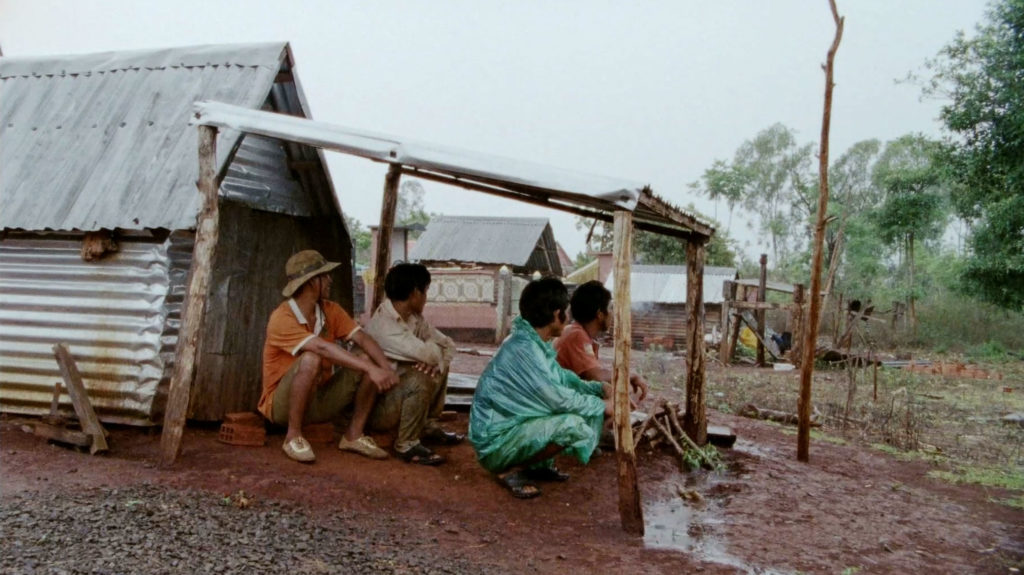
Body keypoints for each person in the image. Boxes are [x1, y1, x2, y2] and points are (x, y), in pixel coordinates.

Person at [468, 277, 612, 499]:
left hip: (506, 431)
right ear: (556, 314)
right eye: (565, 310)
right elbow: (559, 399)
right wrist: (602, 406)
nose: (568, 316)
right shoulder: (525, 349)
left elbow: (562, 378)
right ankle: (509, 469)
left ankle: (535, 465)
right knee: (573, 424)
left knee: (574, 411)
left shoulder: (532, 343)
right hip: (494, 444)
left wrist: (597, 389)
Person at [260, 249, 403, 464]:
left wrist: (385, 369)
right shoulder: (281, 317)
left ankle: (353, 435)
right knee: (311, 358)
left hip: (319, 400)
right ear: (310, 282)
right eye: (324, 276)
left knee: (366, 358)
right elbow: (321, 348)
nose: (330, 280)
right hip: (281, 408)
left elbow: (363, 338)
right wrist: (371, 370)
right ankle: (293, 435)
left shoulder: (330, 310)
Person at [363, 263, 464, 466]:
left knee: (437, 365)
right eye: (425, 291)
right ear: (415, 293)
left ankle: (427, 425)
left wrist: (436, 362)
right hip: (377, 409)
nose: (426, 297)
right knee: (421, 376)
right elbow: (431, 352)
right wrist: (432, 359)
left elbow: (448, 346)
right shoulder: (385, 325)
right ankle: (406, 444)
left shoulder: (414, 318)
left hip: (397, 395)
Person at [554, 280, 649, 403]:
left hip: (565, 398)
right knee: (626, 391)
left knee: (622, 390)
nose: (612, 314)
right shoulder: (576, 335)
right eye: (610, 308)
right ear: (600, 314)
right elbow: (596, 376)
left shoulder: (576, 332)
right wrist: (632, 375)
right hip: (561, 403)